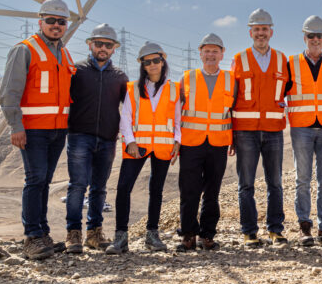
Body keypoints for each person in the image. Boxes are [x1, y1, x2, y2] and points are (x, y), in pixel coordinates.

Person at [0, 0, 76, 260]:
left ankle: (43, 234)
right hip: (33, 130)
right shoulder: (24, 49)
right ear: (40, 21)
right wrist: (15, 125)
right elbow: (9, 92)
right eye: (51, 20)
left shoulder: (64, 54)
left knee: (44, 181)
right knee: (35, 180)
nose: (56, 25)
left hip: (58, 130)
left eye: (61, 21)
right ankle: (32, 237)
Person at [106, 42, 179, 254]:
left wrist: (178, 141)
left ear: (163, 62)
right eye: (147, 62)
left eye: (156, 60)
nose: (152, 65)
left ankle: (152, 235)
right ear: (142, 66)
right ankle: (121, 237)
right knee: (123, 188)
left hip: (164, 146)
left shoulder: (174, 89)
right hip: (137, 146)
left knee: (156, 190)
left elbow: (177, 118)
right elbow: (126, 117)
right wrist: (130, 141)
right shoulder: (133, 88)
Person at [63, 23, 127, 254]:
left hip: (107, 139)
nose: (103, 48)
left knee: (99, 188)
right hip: (79, 136)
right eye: (99, 43)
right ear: (90, 44)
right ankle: (73, 234)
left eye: (108, 45)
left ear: (114, 48)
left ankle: (94, 233)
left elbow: (131, 108)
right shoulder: (76, 71)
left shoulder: (120, 77)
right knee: (78, 186)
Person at [232, 8, 288, 247]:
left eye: (264, 29)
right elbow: (231, 96)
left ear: (271, 32)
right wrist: (230, 134)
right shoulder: (239, 59)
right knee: (246, 184)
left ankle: (276, 230)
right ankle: (249, 232)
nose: (261, 33)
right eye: (256, 29)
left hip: (274, 130)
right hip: (245, 130)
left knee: (275, 183)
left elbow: (290, 90)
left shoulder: (282, 60)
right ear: (250, 32)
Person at [176, 33, 234, 251]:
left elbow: (234, 112)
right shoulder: (187, 78)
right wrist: (176, 140)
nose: (211, 55)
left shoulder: (231, 80)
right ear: (200, 53)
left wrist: (233, 139)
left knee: (212, 191)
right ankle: (188, 234)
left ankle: (207, 235)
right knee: (189, 190)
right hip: (191, 142)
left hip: (218, 143)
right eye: (207, 51)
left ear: (222, 54)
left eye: (215, 51)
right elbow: (176, 112)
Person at [286, 15, 322, 246]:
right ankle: (304, 226)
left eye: (319, 35)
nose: (315, 39)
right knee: (302, 179)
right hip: (301, 127)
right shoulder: (291, 63)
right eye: (311, 36)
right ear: (304, 37)